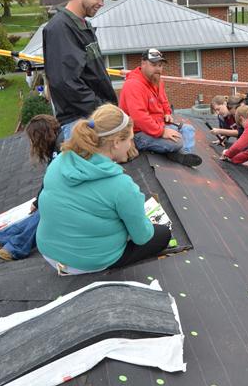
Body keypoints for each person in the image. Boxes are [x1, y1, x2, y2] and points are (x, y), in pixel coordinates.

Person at [36, 104, 171, 275]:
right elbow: (142, 237)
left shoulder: (59, 162)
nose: (131, 144)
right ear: (116, 143)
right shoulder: (122, 186)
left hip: (50, 253)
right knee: (162, 234)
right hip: (87, 262)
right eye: (129, 139)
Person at [43, 0, 120, 140]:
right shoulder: (60, 29)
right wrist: (103, 109)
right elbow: (66, 83)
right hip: (80, 123)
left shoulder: (82, 26)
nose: (101, 3)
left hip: (93, 118)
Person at [0, 115, 61, 261]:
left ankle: (16, 247)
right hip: (65, 197)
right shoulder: (57, 146)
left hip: (72, 202)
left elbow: (55, 183)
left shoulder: (61, 149)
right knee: (40, 211)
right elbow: (49, 181)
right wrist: (37, 201)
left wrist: (42, 202)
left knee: (47, 211)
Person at [119, 48, 202, 167]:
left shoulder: (156, 80)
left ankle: (182, 154)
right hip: (139, 132)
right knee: (176, 143)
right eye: (153, 64)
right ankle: (177, 151)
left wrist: (167, 113)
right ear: (143, 64)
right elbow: (139, 117)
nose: (158, 69)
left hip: (158, 124)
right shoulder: (133, 85)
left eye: (160, 65)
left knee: (188, 129)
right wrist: (162, 132)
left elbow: (164, 101)